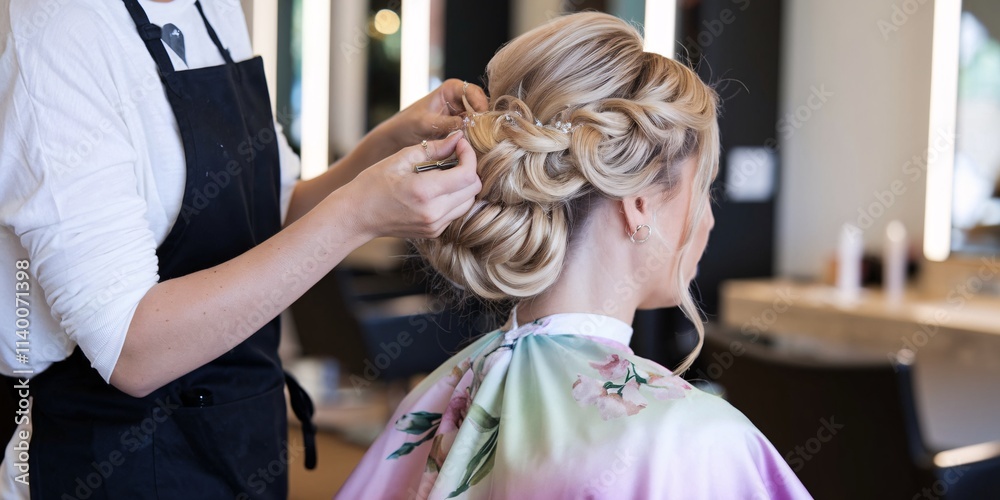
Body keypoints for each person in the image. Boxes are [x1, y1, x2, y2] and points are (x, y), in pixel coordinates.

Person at [0, 0, 486, 498]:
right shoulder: (62, 28)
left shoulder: (215, 8)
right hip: (121, 461)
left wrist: (384, 145)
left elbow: (269, 216)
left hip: (243, 432)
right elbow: (133, 351)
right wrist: (357, 217)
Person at [338, 12, 812, 500]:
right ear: (640, 204)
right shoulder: (697, 439)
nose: (708, 220)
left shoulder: (440, 398)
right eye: (704, 188)